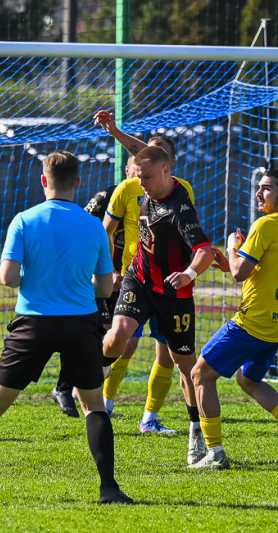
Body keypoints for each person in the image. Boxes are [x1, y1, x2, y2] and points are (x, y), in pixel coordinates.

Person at [0, 151, 133, 505]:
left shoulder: (24, 220)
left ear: (44, 181)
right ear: (78, 183)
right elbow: (104, 289)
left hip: (33, 323)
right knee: (94, 406)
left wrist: (36, 280)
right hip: (80, 323)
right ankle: (109, 488)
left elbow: (8, 277)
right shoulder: (94, 226)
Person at [190, 170, 278, 469]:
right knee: (248, 379)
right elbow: (259, 268)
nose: (258, 194)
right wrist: (232, 262)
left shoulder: (264, 224)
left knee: (200, 374)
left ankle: (215, 454)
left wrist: (231, 248)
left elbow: (240, 273)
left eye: (266, 188)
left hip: (253, 321)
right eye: (258, 188)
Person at [102, 146, 216, 466]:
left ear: (167, 172)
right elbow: (143, 151)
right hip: (138, 278)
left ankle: (196, 429)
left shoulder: (180, 208)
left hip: (172, 292)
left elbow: (205, 250)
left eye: (147, 178)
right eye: (138, 177)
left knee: (185, 367)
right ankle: (92, 378)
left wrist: (189, 273)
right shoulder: (145, 185)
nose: (142, 185)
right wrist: (113, 132)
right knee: (118, 334)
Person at [94, 110, 194, 433]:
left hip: (170, 284)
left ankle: (149, 418)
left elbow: (195, 241)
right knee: (123, 341)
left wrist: (192, 270)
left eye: (156, 153)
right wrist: (109, 270)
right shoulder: (127, 188)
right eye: (144, 153)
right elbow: (104, 232)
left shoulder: (182, 191)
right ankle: (103, 401)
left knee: (168, 356)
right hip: (134, 277)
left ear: (168, 165)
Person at [50, 155, 134, 418]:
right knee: (97, 333)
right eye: (137, 168)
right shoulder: (107, 196)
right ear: (127, 169)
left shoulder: (157, 201)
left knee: (116, 340)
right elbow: (81, 230)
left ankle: (81, 386)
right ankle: (68, 388)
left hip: (132, 279)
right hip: (97, 276)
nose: (142, 175)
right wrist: (105, 270)